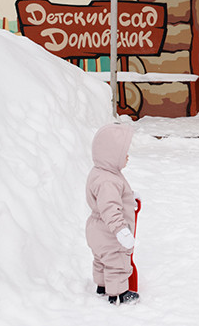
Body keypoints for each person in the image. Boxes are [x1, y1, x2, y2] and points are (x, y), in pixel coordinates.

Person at [86, 123, 140, 305]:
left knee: (101, 259)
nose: (127, 157)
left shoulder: (100, 172)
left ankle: (101, 286)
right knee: (117, 262)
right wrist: (121, 230)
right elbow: (110, 207)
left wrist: (130, 197)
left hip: (96, 228)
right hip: (109, 232)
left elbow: (108, 198)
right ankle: (119, 294)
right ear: (112, 155)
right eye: (123, 153)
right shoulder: (109, 180)